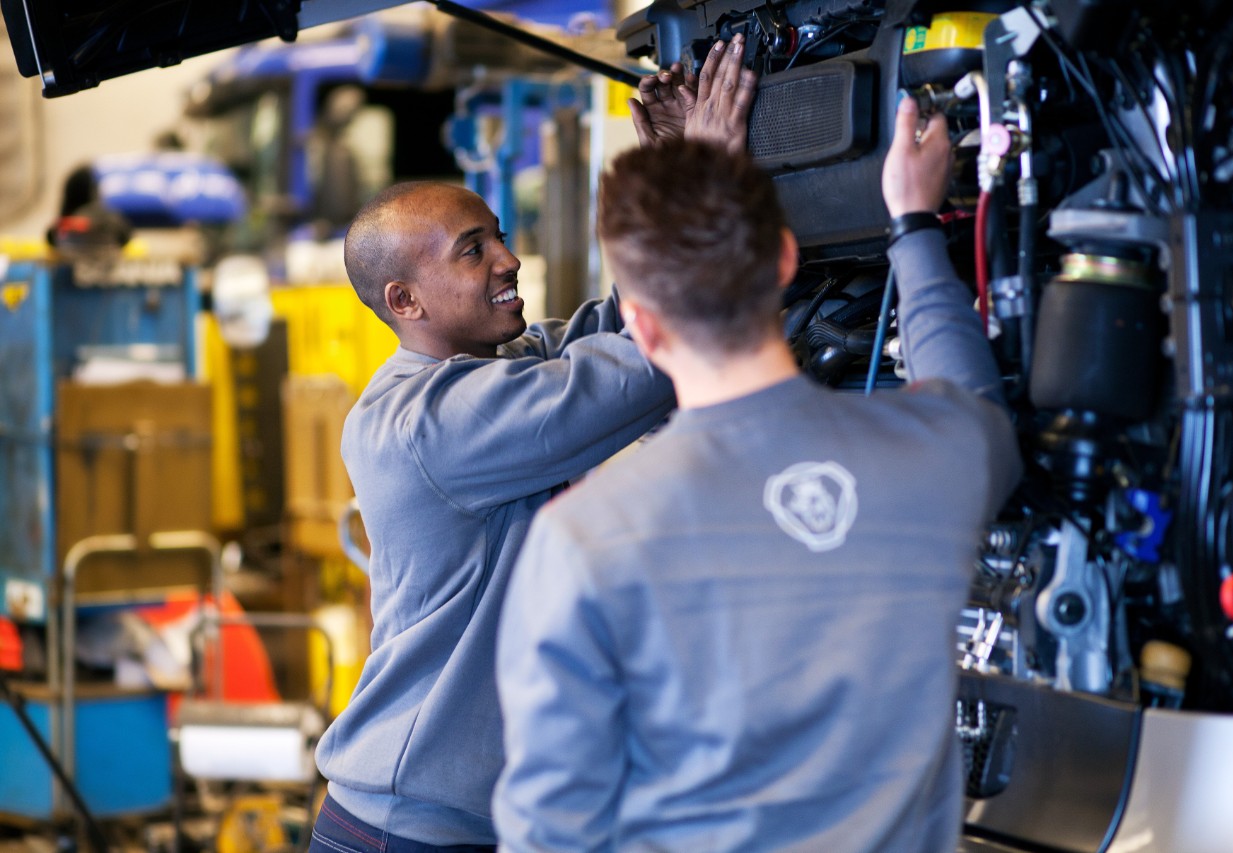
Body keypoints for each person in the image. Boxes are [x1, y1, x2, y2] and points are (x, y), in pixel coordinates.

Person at [491, 97, 1023, 851]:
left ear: (640, 325)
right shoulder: (938, 451)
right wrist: (913, 225)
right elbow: (977, 403)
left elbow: (551, 829)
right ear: (783, 259)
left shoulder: (585, 535)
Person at [308, 37, 757, 853]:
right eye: (473, 250)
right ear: (404, 298)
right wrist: (712, 186)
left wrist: (666, 183)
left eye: (498, 236)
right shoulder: (431, 422)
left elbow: (618, 328)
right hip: (403, 832)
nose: (508, 260)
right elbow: (643, 367)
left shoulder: (501, 364)